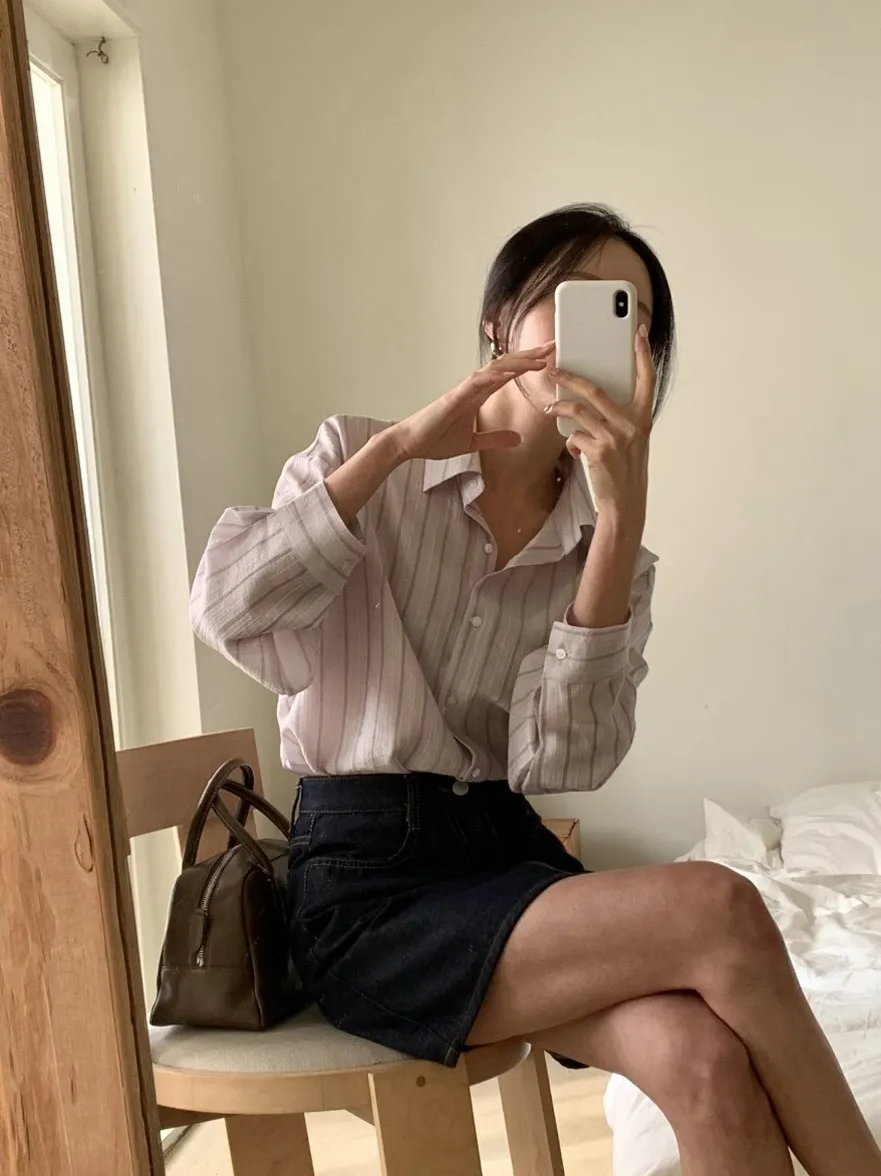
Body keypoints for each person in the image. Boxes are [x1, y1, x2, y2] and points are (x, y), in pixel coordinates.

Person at [191, 205, 881, 1176]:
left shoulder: (608, 549)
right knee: (719, 908)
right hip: (365, 887)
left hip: (504, 857)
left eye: (633, 317)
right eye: (575, 298)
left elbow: (562, 763)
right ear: (498, 321)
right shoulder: (361, 457)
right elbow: (224, 608)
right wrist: (394, 451)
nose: (604, 330)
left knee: (703, 1061)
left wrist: (618, 521)